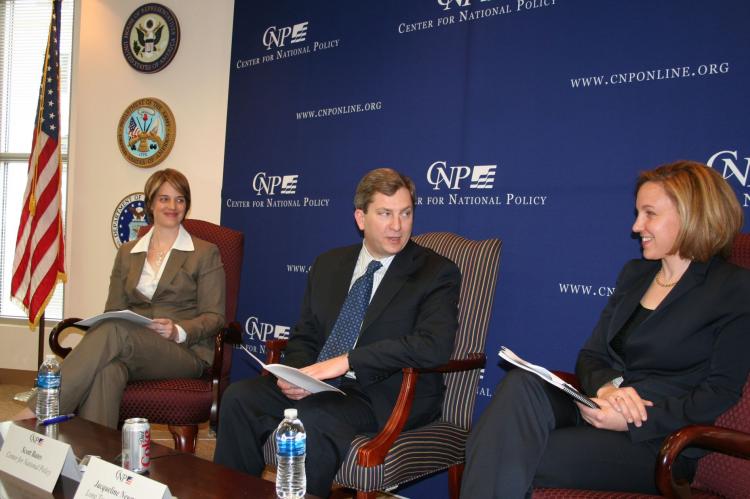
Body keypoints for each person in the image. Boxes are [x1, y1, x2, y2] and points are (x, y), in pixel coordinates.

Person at [461, 161, 750, 498]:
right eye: (637, 213)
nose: (636, 225)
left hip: (658, 440)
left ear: (691, 215)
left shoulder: (733, 289)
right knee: (522, 384)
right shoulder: (635, 274)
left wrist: (631, 418)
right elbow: (592, 355)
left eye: (649, 213)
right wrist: (610, 391)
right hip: (600, 405)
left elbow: (719, 392)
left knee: (513, 452)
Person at [214, 168, 461, 497]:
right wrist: (298, 375)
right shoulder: (329, 264)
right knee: (240, 399)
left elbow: (433, 346)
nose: (398, 226)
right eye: (385, 214)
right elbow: (306, 335)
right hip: (320, 385)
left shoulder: (435, 271)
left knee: (314, 416)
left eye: (406, 213)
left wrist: (348, 361)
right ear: (361, 217)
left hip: (384, 393)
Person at [17, 168, 226, 429]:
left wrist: (178, 330)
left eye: (180, 199)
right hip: (133, 346)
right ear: (150, 203)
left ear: (187, 205)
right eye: (164, 198)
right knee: (108, 371)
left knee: (113, 331)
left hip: (184, 352)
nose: (172, 206)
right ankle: (95, 460)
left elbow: (215, 316)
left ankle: (38, 411)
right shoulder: (128, 252)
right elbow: (114, 310)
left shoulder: (205, 253)